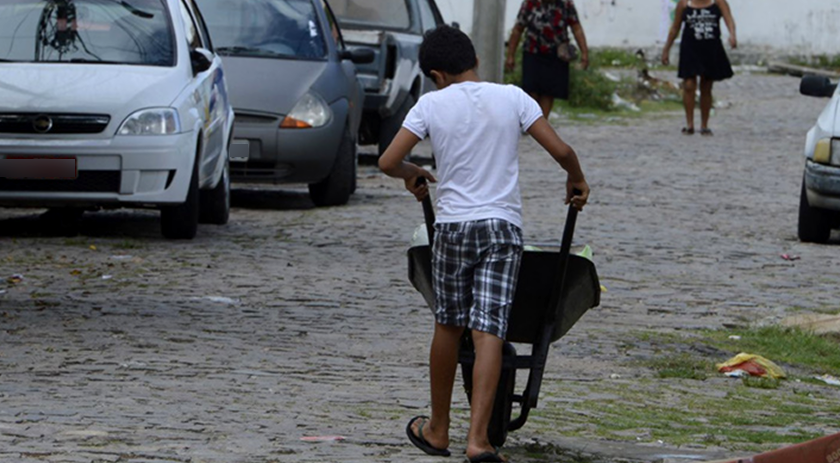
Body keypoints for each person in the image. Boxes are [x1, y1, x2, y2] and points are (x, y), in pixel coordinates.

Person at [378, 25, 589, 463]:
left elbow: (388, 160)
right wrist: (576, 178)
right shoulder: (513, 97)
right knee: (489, 328)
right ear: (473, 60)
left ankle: (437, 430)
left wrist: (412, 174)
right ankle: (479, 441)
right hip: (501, 227)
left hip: (453, 227)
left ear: (436, 74)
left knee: (448, 325)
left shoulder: (430, 104)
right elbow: (562, 149)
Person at [662, 0, 736, 136]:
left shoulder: (718, 3)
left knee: (706, 87)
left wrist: (732, 35)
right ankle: (689, 124)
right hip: (690, 49)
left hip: (710, 49)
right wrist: (666, 49)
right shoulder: (684, 4)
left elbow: (729, 19)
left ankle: (704, 125)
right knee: (689, 85)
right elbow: (675, 28)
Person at [505, 0, 589, 119]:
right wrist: (510, 56)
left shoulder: (565, 4)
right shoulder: (530, 3)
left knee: (549, 92)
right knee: (530, 90)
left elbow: (576, 28)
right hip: (532, 52)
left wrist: (584, 53)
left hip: (557, 55)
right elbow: (518, 29)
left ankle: (541, 122)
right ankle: (529, 120)